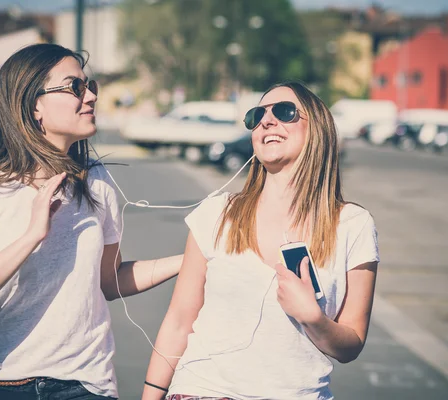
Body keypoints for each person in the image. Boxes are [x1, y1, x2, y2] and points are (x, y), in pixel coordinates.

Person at [0, 43, 182, 400]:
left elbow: (108, 281)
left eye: (91, 86)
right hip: (0, 384)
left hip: (86, 386)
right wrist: (30, 237)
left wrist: (190, 260)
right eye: (75, 86)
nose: (90, 96)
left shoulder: (96, 181)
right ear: (33, 106)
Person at [143, 81, 379, 400]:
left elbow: (351, 343)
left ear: (318, 130)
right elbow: (178, 322)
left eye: (284, 112)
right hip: (202, 391)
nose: (267, 121)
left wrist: (313, 318)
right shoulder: (217, 213)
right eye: (257, 115)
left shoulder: (352, 224)